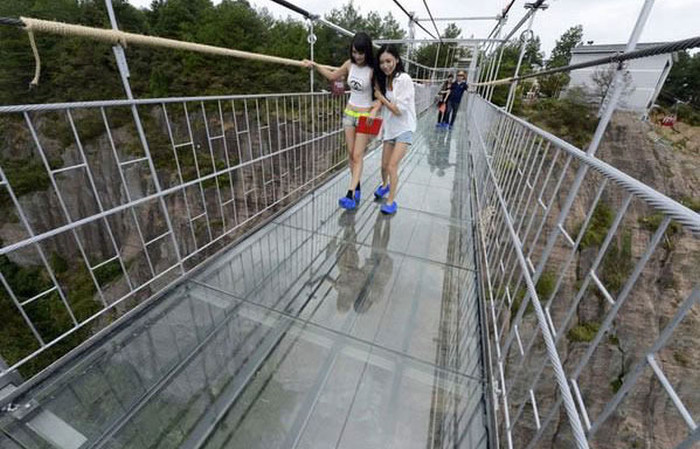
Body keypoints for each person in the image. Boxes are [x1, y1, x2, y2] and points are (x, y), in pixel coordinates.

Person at [302, 32, 379, 210]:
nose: (357, 56)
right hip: (349, 113)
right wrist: (315, 65)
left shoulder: (373, 69)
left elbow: (379, 95)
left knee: (358, 155)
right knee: (351, 154)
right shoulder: (349, 64)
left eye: (361, 53)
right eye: (354, 52)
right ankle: (356, 185)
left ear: (367, 51)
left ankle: (350, 194)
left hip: (365, 117)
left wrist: (375, 110)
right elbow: (332, 76)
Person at [372, 44, 416, 215]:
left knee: (391, 166)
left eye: (389, 61)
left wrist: (381, 98)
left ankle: (391, 201)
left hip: (404, 127)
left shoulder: (404, 79)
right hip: (390, 128)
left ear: (397, 60)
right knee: (383, 166)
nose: (385, 65)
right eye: (382, 62)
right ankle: (385, 185)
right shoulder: (384, 79)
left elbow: (398, 110)